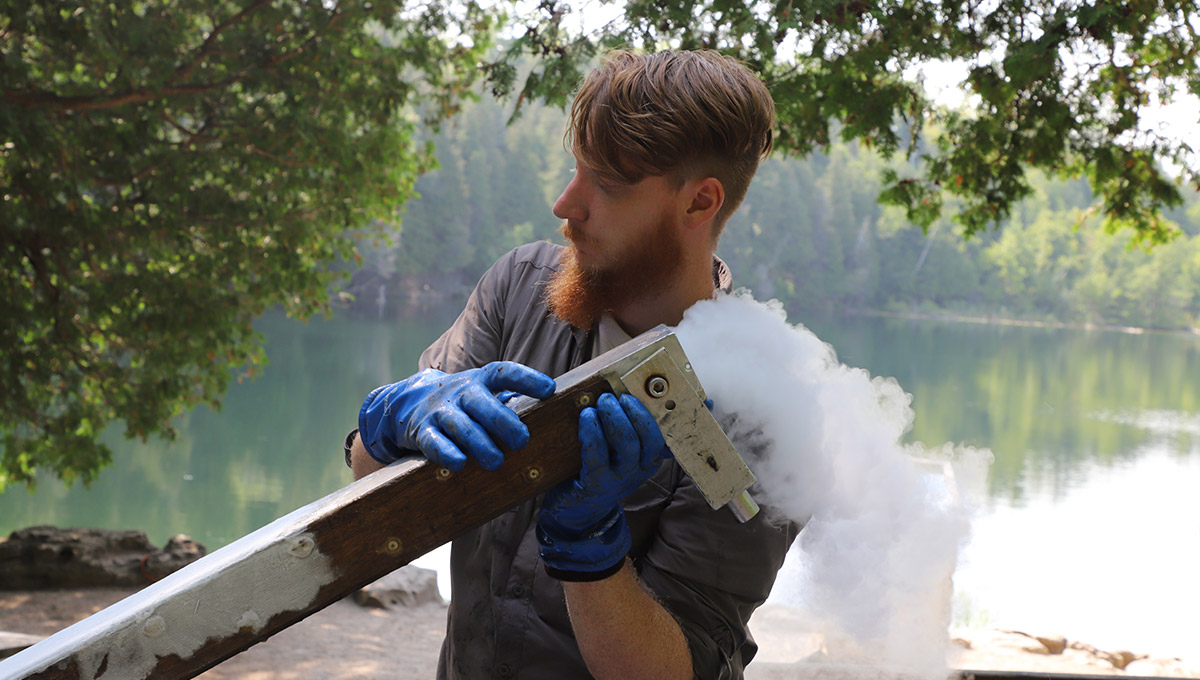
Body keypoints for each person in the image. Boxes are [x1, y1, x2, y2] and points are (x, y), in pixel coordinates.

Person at [346, 49, 798, 680]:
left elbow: (681, 667)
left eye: (607, 184)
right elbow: (376, 495)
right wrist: (387, 424)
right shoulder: (518, 287)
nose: (565, 204)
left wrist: (591, 552)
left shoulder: (768, 414)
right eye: (575, 170)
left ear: (699, 205)